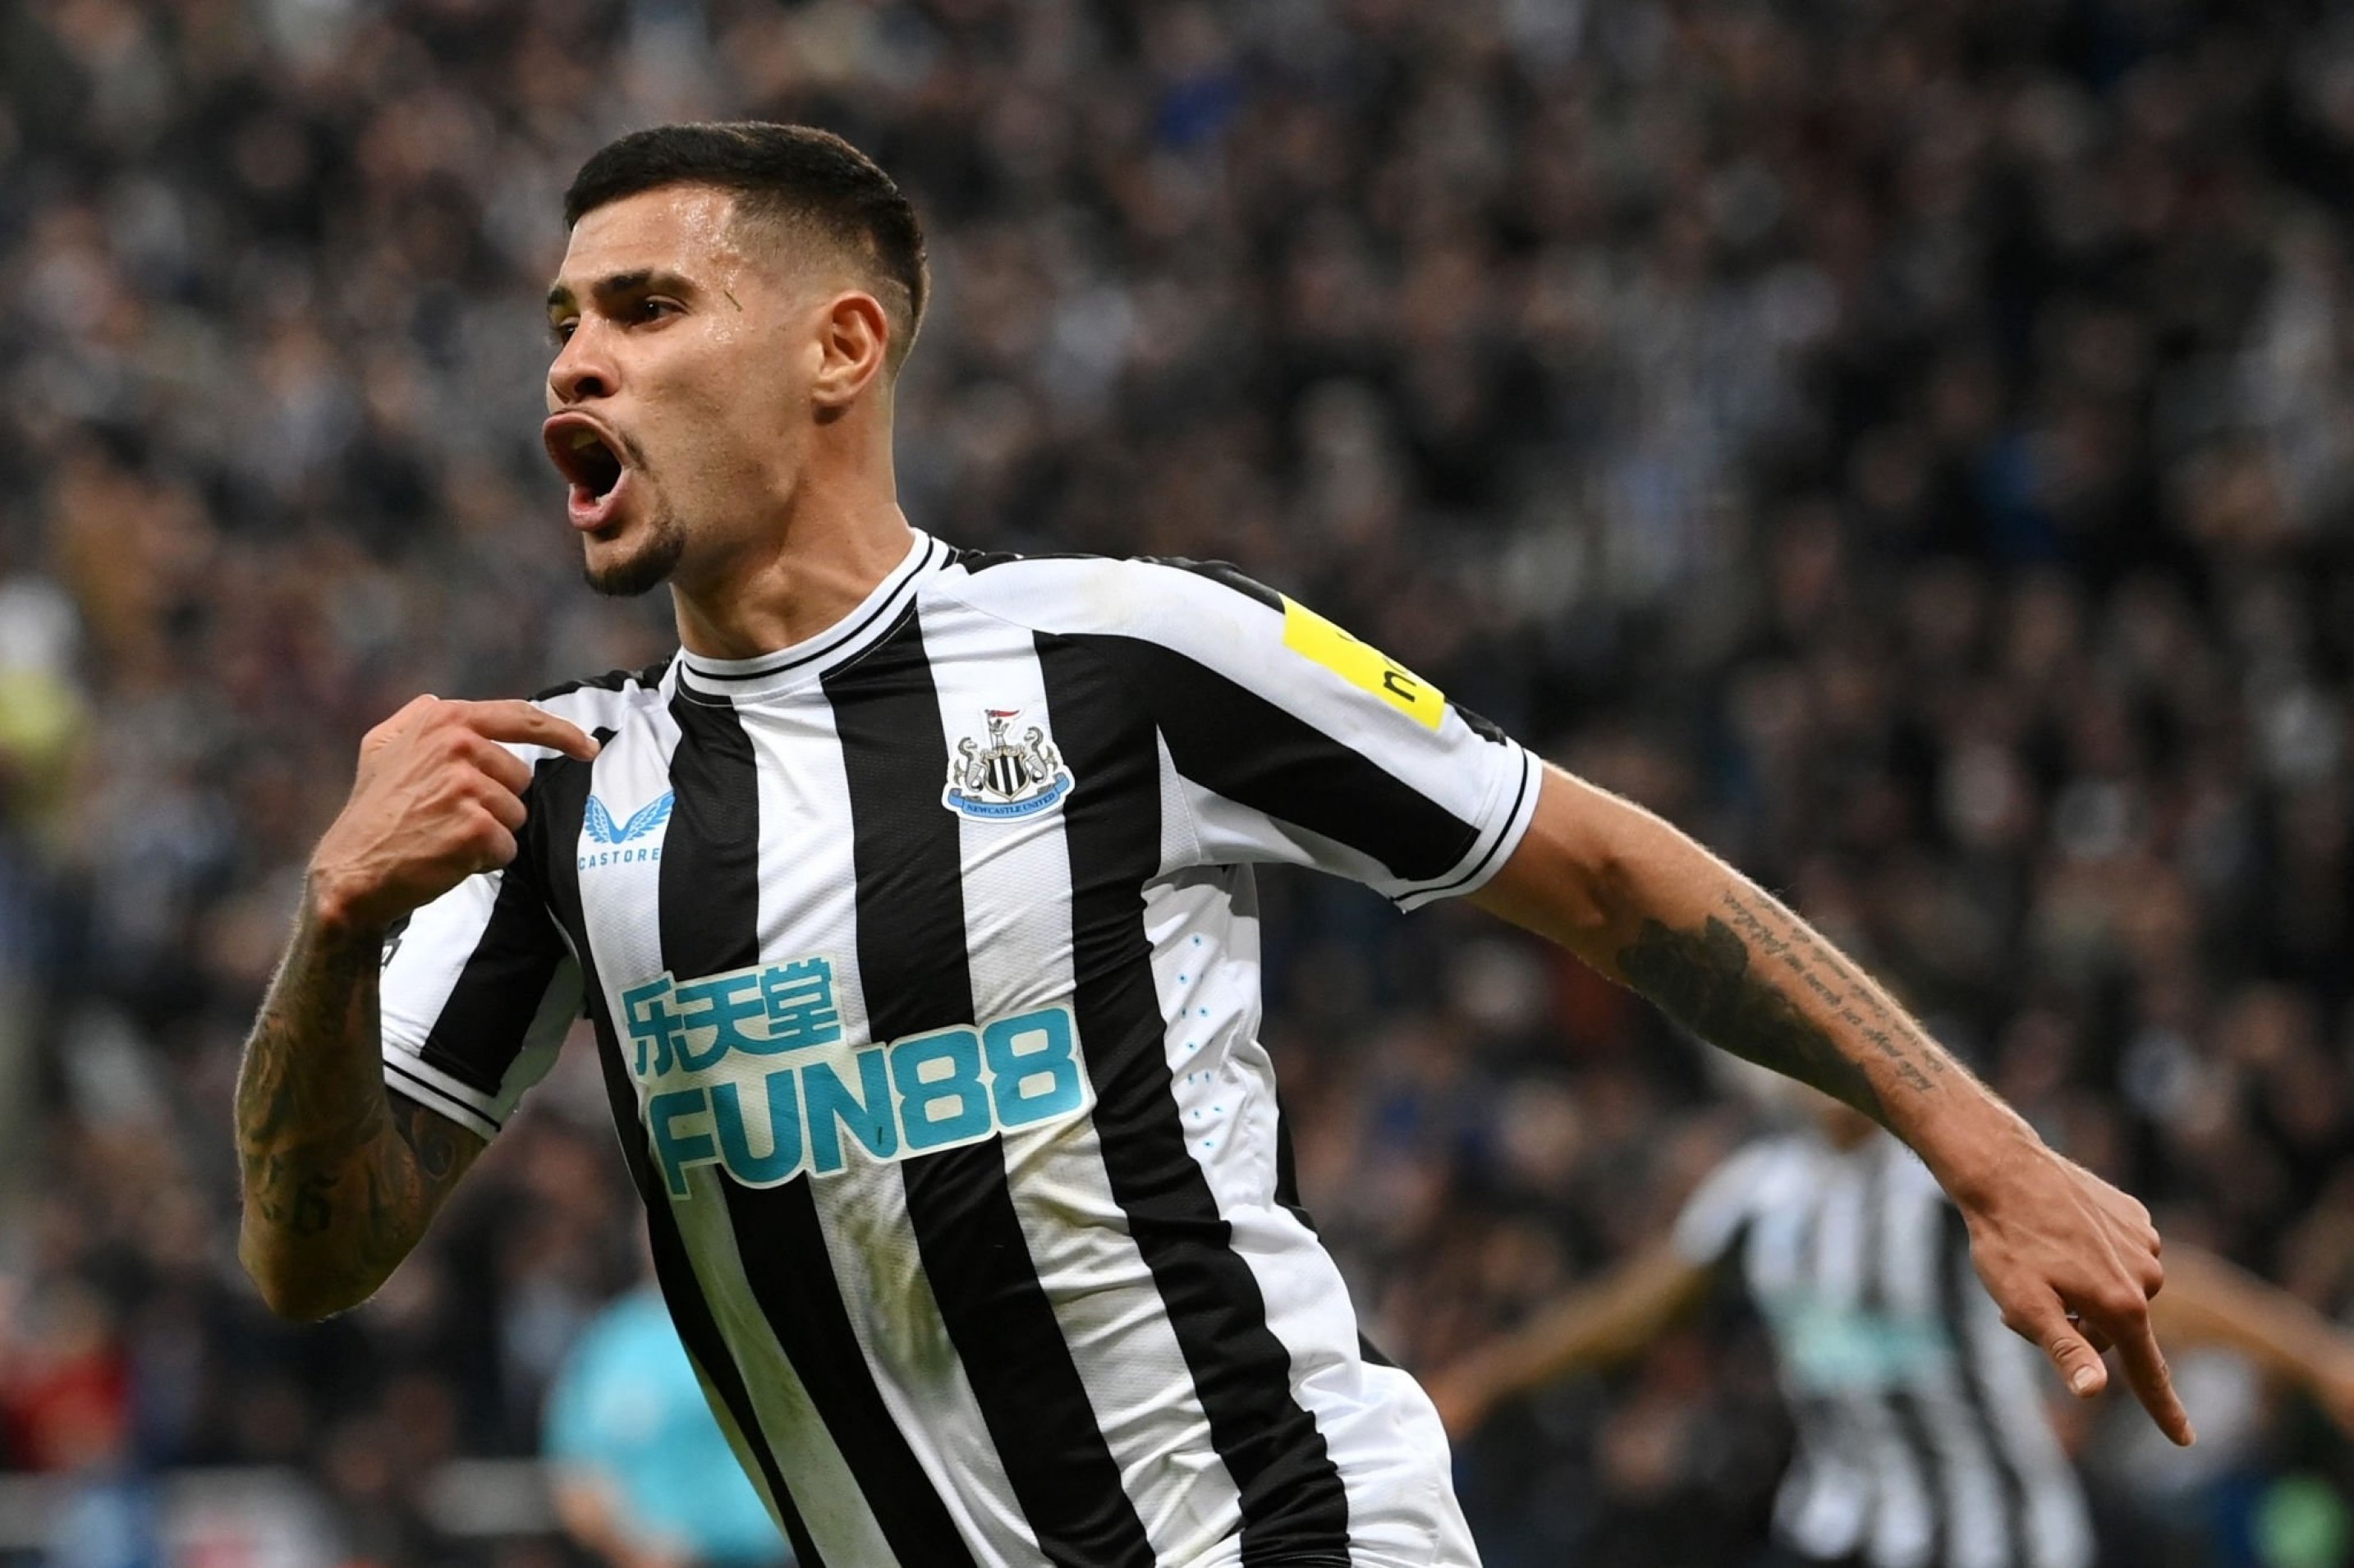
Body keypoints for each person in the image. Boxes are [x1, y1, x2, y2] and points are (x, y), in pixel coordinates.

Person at [229, 121, 2190, 1568]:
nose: (571, 359)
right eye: (560, 320)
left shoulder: (1122, 652)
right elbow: (313, 1257)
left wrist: (1983, 1149)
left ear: (839, 346)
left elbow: (1595, 867)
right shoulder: (558, 787)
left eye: (644, 308)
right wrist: (331, 926)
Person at [1425, 1090, 2354, 1568]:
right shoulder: (1759, 1191)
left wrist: (2311, 1354)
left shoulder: (1960, 1181)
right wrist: (1490, 1377)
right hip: (1836, 1531)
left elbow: (2141, 1285)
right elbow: (1631, 1309)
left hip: (1994, 1542)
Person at [545, 1276, 794, 1568]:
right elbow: (575, 1480)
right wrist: (635, 1553)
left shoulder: (767, 1326)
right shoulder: (613, 1346)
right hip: (664, 1557)